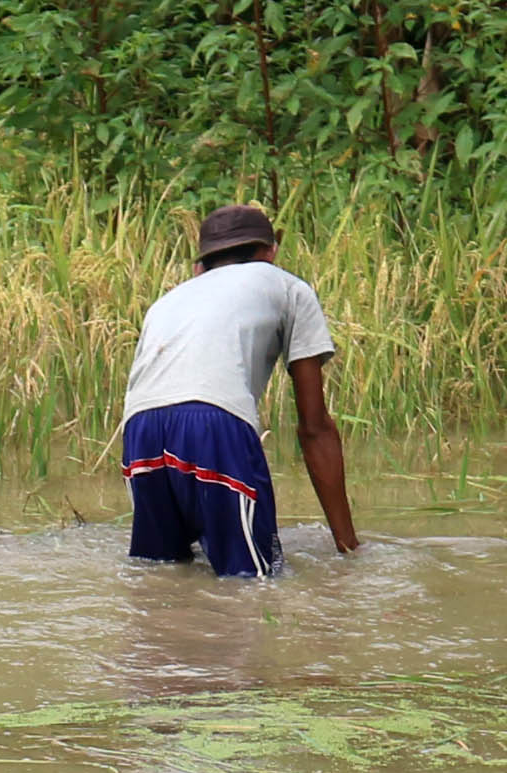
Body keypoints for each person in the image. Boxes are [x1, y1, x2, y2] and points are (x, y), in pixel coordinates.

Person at [119, 202, 361, 580]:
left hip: (140, 431)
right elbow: (315, 428)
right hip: (214, 424)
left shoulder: (166, 302)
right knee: (253, 586)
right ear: (270, 253)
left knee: (160, 578)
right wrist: (350, 551)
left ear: (199, 267)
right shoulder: (288, 287)